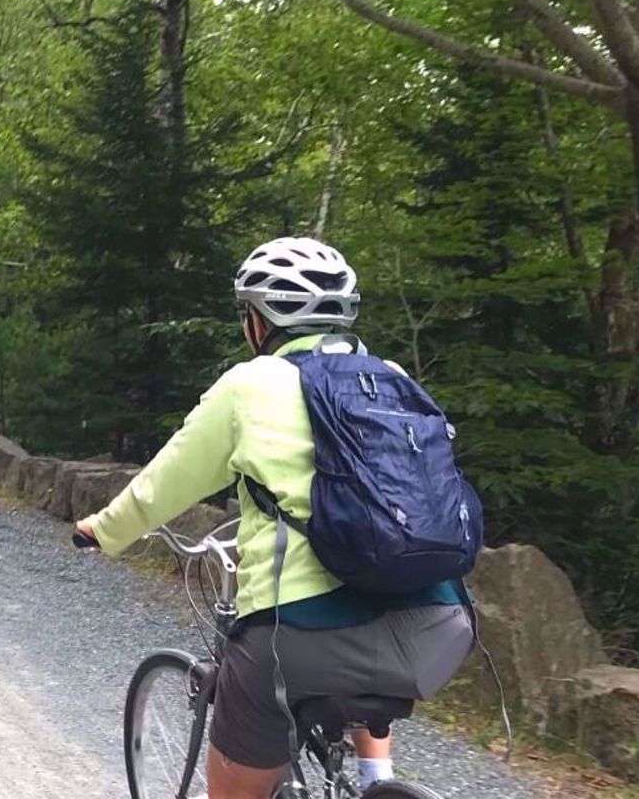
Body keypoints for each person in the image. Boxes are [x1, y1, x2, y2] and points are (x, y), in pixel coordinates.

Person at [73, 238, 474, 799]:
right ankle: (375, 781)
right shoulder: (390, 376)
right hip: (440, 625)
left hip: (300, 638)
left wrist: (101, 531)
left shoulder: (249, 385)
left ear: (260, 322)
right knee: (365, 619)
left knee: (246, 754)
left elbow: (161, 486)